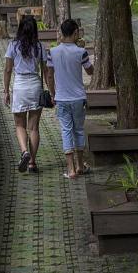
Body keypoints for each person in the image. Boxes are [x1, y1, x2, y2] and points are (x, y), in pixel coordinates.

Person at [44, 19, 94, 179]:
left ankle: (71, 169)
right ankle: (80, 166)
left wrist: (53, 94)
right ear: (75, 33)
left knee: (66, 131)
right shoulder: (81, 52)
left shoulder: (53, 52)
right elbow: (90, 71)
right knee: (79, 130)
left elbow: (50, 75)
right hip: (79, 98)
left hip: (62, 98)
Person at [4, 15, 49, 173]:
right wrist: (52, 91)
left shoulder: (13, 45)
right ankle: (32, 163)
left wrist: (5, 91)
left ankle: (24, 152)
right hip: (35, 85)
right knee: (34, 128)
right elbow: (46, 71)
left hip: (20, 86)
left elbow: (8, 70)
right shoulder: (40, 46)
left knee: (19, 125)